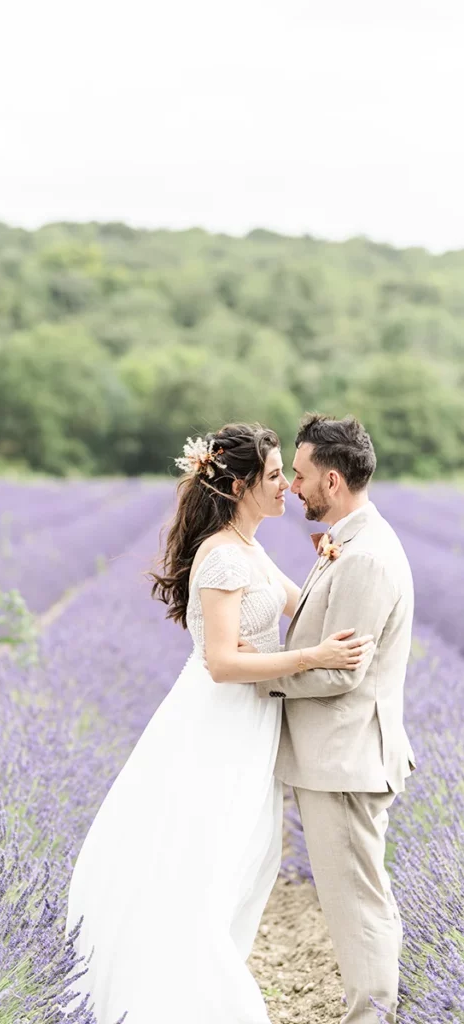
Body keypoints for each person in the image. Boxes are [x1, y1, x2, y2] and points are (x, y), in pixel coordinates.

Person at [64, 420, 374, 1024]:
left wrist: (343, 557)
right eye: (278, 475)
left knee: (242, 861)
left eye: (291, 474)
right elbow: (222, 662)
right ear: (240, 487)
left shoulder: (250, 548)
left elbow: (302, 604)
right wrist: (314, 657)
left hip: (249, 725)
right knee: (202, 861)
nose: (290, 485)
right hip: (218, 725)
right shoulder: (221, 556)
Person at [254, 413, 416, 1024]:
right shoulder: (349, 543)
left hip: (349, 760)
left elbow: (339, 671)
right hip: (341, 758)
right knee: (359, 901)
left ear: (331, 479)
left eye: (298, 476)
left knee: (358, 906)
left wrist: (256, 676)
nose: (293, 487)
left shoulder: (366, 558)